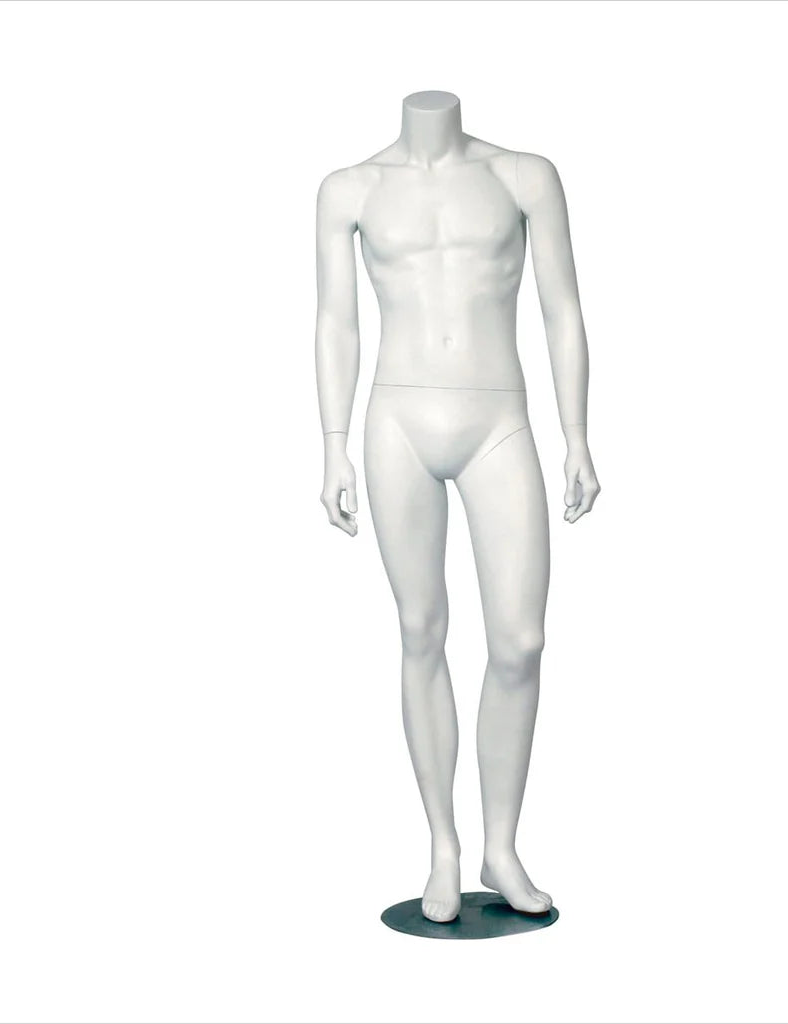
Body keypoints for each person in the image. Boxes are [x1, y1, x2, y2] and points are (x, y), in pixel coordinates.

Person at [315, 90, 599, 923]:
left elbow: (563, 309)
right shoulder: (351, 189)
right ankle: (442, 844)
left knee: (520, 641)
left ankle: (500, 846)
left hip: (498, 418)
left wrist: (577, 435)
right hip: (396, 420)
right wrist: (331, 443)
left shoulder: (523, 177)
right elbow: (335, 322)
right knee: (420, 631)